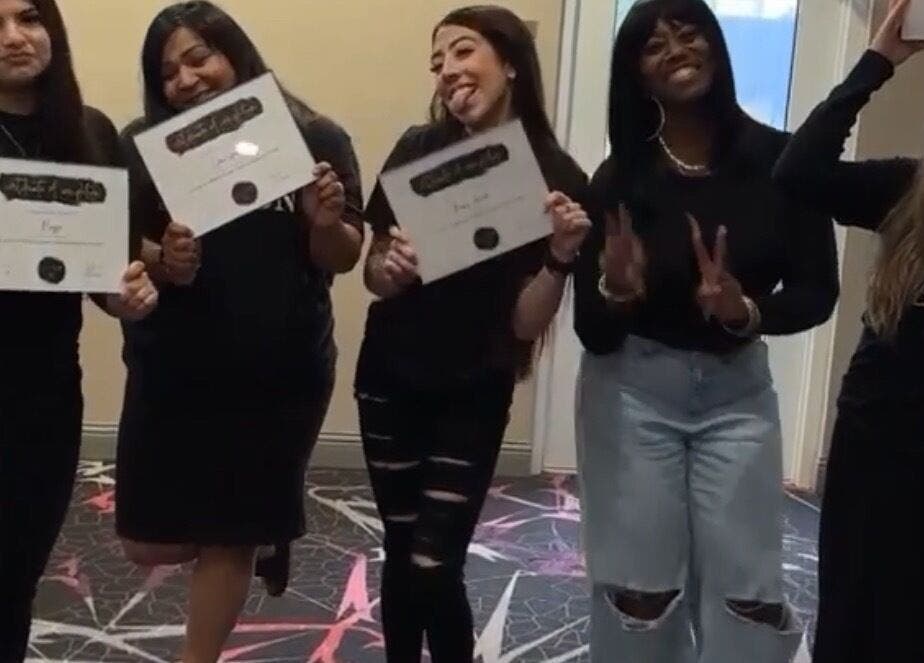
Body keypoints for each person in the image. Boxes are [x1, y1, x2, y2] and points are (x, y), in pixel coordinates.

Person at [572, 1, 839, 661]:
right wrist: (618, 291)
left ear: (716, 46)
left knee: (750, 590)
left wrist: (745, 312)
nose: (675, 49)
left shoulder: (783, 163)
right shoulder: (619, 180)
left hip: (738, 395)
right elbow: (593, 331)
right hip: (633, 392)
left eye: (687, 32)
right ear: (638, 76)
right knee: (642, 589)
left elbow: (817, 291)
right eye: (653, 45)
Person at [114, 2, 363, 661]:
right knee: (147, 538)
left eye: (201, 58)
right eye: (170, 72)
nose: (189, 79)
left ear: (236, 54)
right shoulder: (143, 146)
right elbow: (121, 246)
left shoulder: (314, 136)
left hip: (275, 373)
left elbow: (341, 256)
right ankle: (262, 529)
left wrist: (324, 219)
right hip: (172, 367)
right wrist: (164, 257)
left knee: (228, 532)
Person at [355, 6, 589, 662]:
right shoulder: (416, 149)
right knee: (404, 549)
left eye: (463, 51)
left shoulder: (556, 175)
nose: (449, 71)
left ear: (510, 61)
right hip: (390, 376)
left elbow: (523, 322)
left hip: (475, 387)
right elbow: (375, 271)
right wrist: (389, 266)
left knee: (433, 560)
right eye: (438, 62)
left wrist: (561, 257)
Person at [0, 0, 158, 660]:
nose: (14, 37)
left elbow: (103, 276)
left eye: (29, 18)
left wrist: (130, 297)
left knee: (15, 574)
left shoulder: (90, 132)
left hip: (43, 391)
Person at [773, 0, 924, 660]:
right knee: (852, 622)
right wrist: (878, 62)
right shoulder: (909, 188)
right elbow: (799, 170)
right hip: (876, 446)